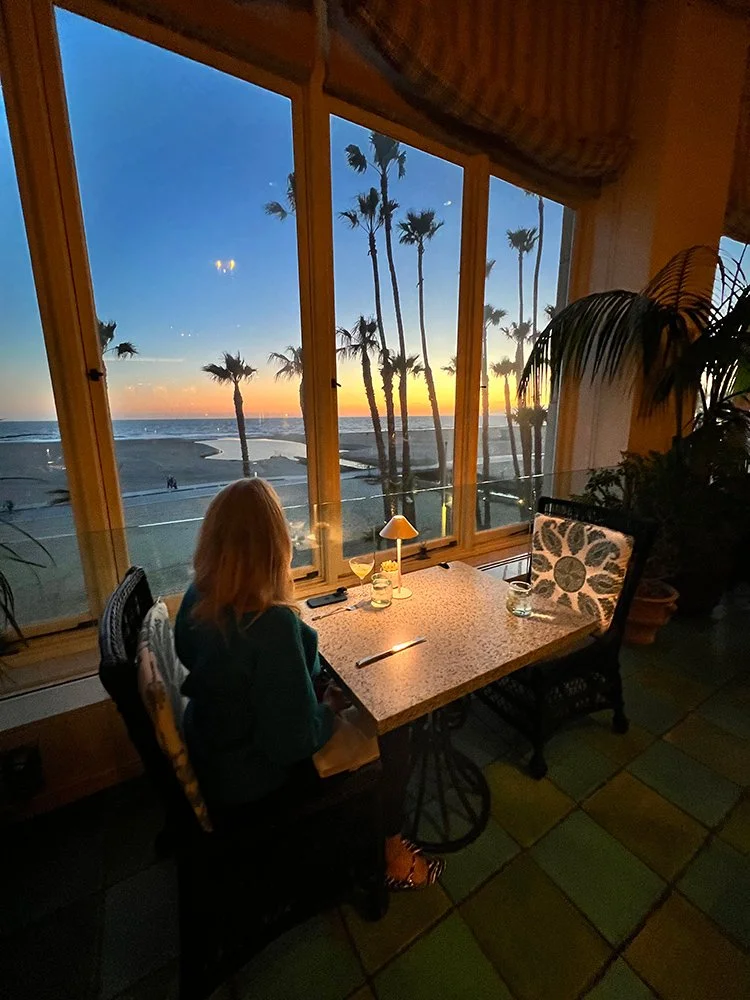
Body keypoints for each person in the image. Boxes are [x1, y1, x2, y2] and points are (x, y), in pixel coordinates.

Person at [175, 478, 443, 890]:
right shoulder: (271, 626)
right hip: (253, 782)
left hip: (214, 751)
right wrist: (327, 710)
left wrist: (304, 691)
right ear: (275, 544)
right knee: (397, 727)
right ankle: (391, 850)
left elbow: (222, 672)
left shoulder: (198, 598)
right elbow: (292, 742)